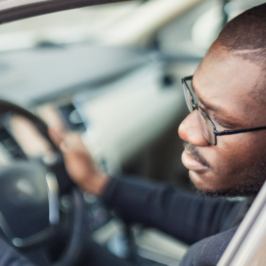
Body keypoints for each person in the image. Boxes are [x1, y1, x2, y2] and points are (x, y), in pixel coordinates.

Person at [0, 3, 265, 266]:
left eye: (220, 120)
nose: (186, 129)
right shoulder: (254, 226)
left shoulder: (219, 257)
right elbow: (224, 219)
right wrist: (99, 182)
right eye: (196, 101)